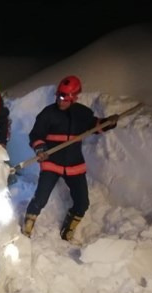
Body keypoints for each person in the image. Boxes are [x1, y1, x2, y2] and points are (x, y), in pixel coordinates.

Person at [21, 75, 119, 242]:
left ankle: (68, 229)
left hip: (74, 164)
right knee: (41, 197)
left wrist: (108, 123)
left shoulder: (82, 113)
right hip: (51, 161)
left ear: (73, 98)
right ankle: (28, 226)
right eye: (58, 96)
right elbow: (36, 134)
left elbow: (95, 126)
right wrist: (40, 148)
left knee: (83, 202)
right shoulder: (48, 114)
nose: (60, 101)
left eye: (64, 98)